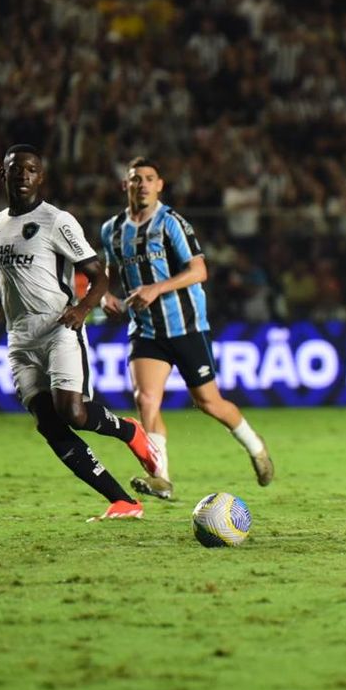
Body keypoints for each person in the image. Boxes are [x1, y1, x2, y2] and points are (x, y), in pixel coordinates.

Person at [0, 145, 158, 521]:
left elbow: (98, 275)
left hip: (60, 328)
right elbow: (3, 286)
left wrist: (81, 309)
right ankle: (124, 501)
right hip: (20, 341)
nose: (24, 175)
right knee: (48, 423)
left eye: (31, 169)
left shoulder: (57, 221)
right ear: (4, 174)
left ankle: (130, 432)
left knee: (72, 412)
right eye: (17, 168)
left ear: (40, 177)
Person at [99, 156, 274, 500]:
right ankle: (161, 478)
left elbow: (199, 271)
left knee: (209, 402)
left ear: (160, 185)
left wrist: (155, 288)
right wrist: (105, 296)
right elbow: (108, 271)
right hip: (146, 330)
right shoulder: (112, 230)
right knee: (146, 399)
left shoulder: (171, 223)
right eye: (136, 179)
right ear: (126, 185)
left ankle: (256, 448)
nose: (143, 184)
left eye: (150, 178)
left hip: (186, 327)